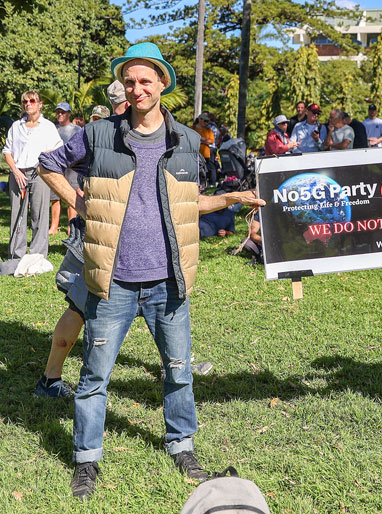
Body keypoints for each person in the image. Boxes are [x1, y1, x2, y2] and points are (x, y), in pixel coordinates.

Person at [37, 41, 265, 499]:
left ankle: (182, 445)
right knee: (95, 377)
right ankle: (86, 461)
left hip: (167, 281)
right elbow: (48, 163)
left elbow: (189, 203)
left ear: (163, 83)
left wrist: (228, 199)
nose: (136, 89)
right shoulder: (100, 133)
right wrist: (77, 201)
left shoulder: (185, 140)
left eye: (145, 80)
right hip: (112, 280)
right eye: (130, 81)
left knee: (178, 370)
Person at [2, 90, 63, 260]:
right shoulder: (16, 126)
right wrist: (16, 172)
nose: (28, 104)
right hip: (18, 174)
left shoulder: (48, 127)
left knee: (40, 215)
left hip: (39, 174)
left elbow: (58, 147)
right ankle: (16, 254)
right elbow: (7, 151)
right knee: (17, 215)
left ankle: (37, 256)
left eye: (32, 101)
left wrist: (43, 159)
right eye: (25, 102)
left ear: (40, 104)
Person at [50, 102, 82, 234]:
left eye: (63, 112)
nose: (60, 114)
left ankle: (71, 226)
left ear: (69, 114)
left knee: (71, 196)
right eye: (58, 112)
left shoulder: (76, 129)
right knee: (54, 197)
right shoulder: (53, 129)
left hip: (72, 167)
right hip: (56, 166)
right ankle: (54, 226)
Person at [194, 112, 217, 186]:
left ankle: (207, 185)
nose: (206, 123)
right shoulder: (192, 128)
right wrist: (204, 140)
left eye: (207, 121)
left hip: (206, 154)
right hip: (195, 153)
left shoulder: (208, 130)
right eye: (205, 121)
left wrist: (201, 139)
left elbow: (211, 141)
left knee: (207, 170)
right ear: (200, 120)